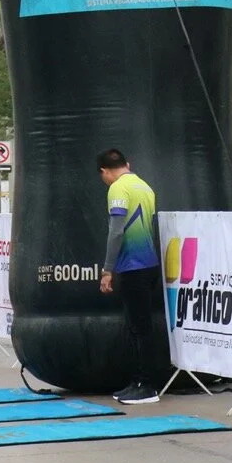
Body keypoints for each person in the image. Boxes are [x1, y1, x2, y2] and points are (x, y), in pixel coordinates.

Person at [97, 148, 162, 405]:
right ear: (128, 163)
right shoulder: (145, 187)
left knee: (140, 329)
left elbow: (116, 232)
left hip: (133, 266)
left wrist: (107, 269)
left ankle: (147, 386)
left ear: (104, 171)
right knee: (139, 327)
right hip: (149, 263)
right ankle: (138, 381)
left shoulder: (118, 189)